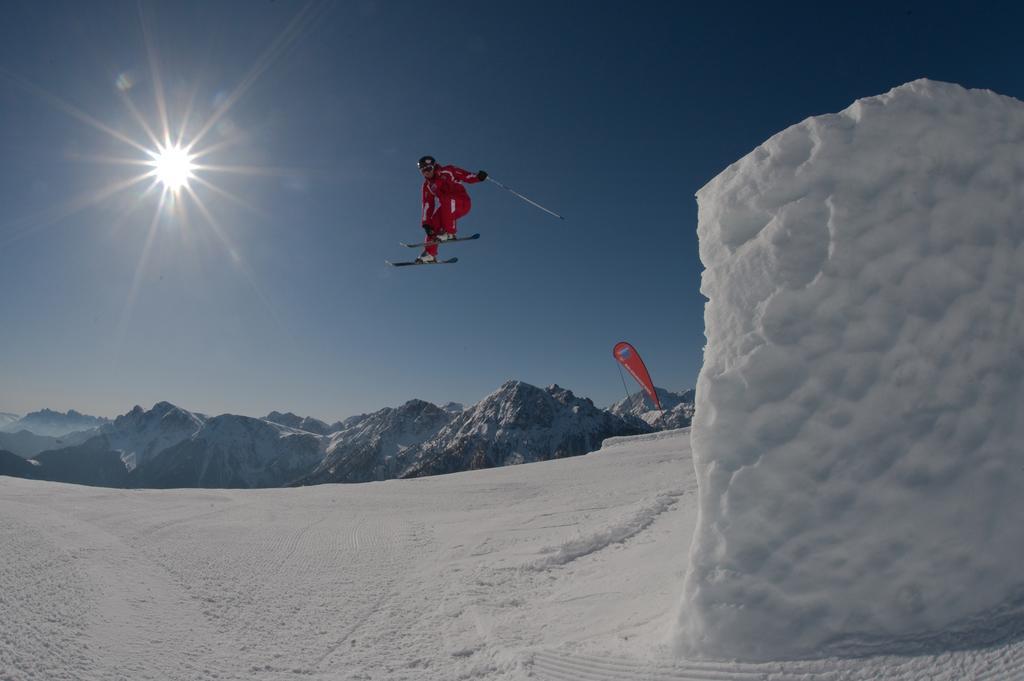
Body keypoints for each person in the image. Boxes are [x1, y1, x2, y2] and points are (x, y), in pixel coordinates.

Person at [415, 155, 487, 263]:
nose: (426, 172)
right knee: (433, 222)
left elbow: (466, 176)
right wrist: (426, 223)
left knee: (446, 198)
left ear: (434, 166)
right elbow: (427, 205)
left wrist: (478, 177)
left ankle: (450, 232)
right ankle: (430, 254)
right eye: (423, 170)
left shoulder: (448, 171)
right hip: (446, 208)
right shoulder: (427, 186)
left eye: (428, 168)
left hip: (462, 203)